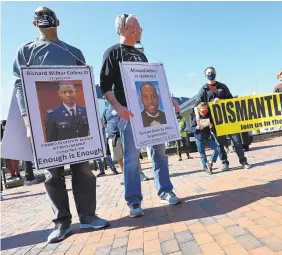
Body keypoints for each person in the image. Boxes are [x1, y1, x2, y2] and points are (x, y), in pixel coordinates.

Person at [13, 6, 109, 243]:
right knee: (51, 174)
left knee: (83, 170)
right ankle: (62, 223)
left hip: (78, 123)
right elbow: (19, 86)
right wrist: (27, 121)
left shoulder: (73, 51)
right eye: (39, 16)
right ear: (34, 23)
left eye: (48, 15)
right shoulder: (26, 51)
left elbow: (85, 85)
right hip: (45, 123)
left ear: (58, 21)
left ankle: (88, 216)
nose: (44, 18)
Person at [100, 14, 181, 218]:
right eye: (138, 26)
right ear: (127, 27)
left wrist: (169, 99)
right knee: (131, 158)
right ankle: (134, 201)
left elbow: (152, 81)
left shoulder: (141, 55)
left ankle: (165, 190)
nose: (141, 29)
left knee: (160, 152)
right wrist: (118, 108)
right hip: (129, 114)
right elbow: (105, 86)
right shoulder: (112, 53)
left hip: (149, 113)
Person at [195, 67, 250, 171]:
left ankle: (243, 161)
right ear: (205, 75)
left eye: (212, 72)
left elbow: (231, 99)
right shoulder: (203, 89)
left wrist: (221, 100)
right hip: (215, 122)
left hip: (228, 120)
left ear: (215, 73)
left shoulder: (223, 87)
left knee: (237, 141)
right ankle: (225, 163)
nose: (210, 74)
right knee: (220, 144)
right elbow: (197, 105)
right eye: (208, 73)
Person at [191, 103, 220, 175]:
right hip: (199, 139)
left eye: (205, 108)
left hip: (207, 138)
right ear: (199, 110)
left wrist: (211, 125)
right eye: (202, 108)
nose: (204, 109)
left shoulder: (209, 117)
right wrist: (196, 128)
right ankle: (206, 168)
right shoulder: (196, 119)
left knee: (217, 148)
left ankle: (210, 162)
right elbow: (192, 129)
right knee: (202, 154)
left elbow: (212, 127)